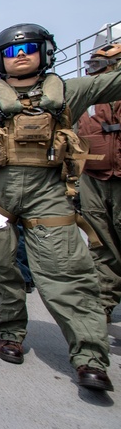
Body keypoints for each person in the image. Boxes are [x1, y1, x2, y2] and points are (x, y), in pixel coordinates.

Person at [0, 23, 121, 392]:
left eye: (29, 48)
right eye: (12, 52)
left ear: (45, 52)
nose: (21, 55)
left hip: (48, 191)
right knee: (0, 268)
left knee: (67, 271)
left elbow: (114, 82)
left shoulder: (67, 92)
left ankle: (89, 356)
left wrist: (114, 56)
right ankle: (10, 332)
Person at [76, 42, 121, 322]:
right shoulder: (87, 99)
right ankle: (102, 303)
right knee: (100, 243)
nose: (94, 72)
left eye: (99, 66)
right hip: (93, 177)